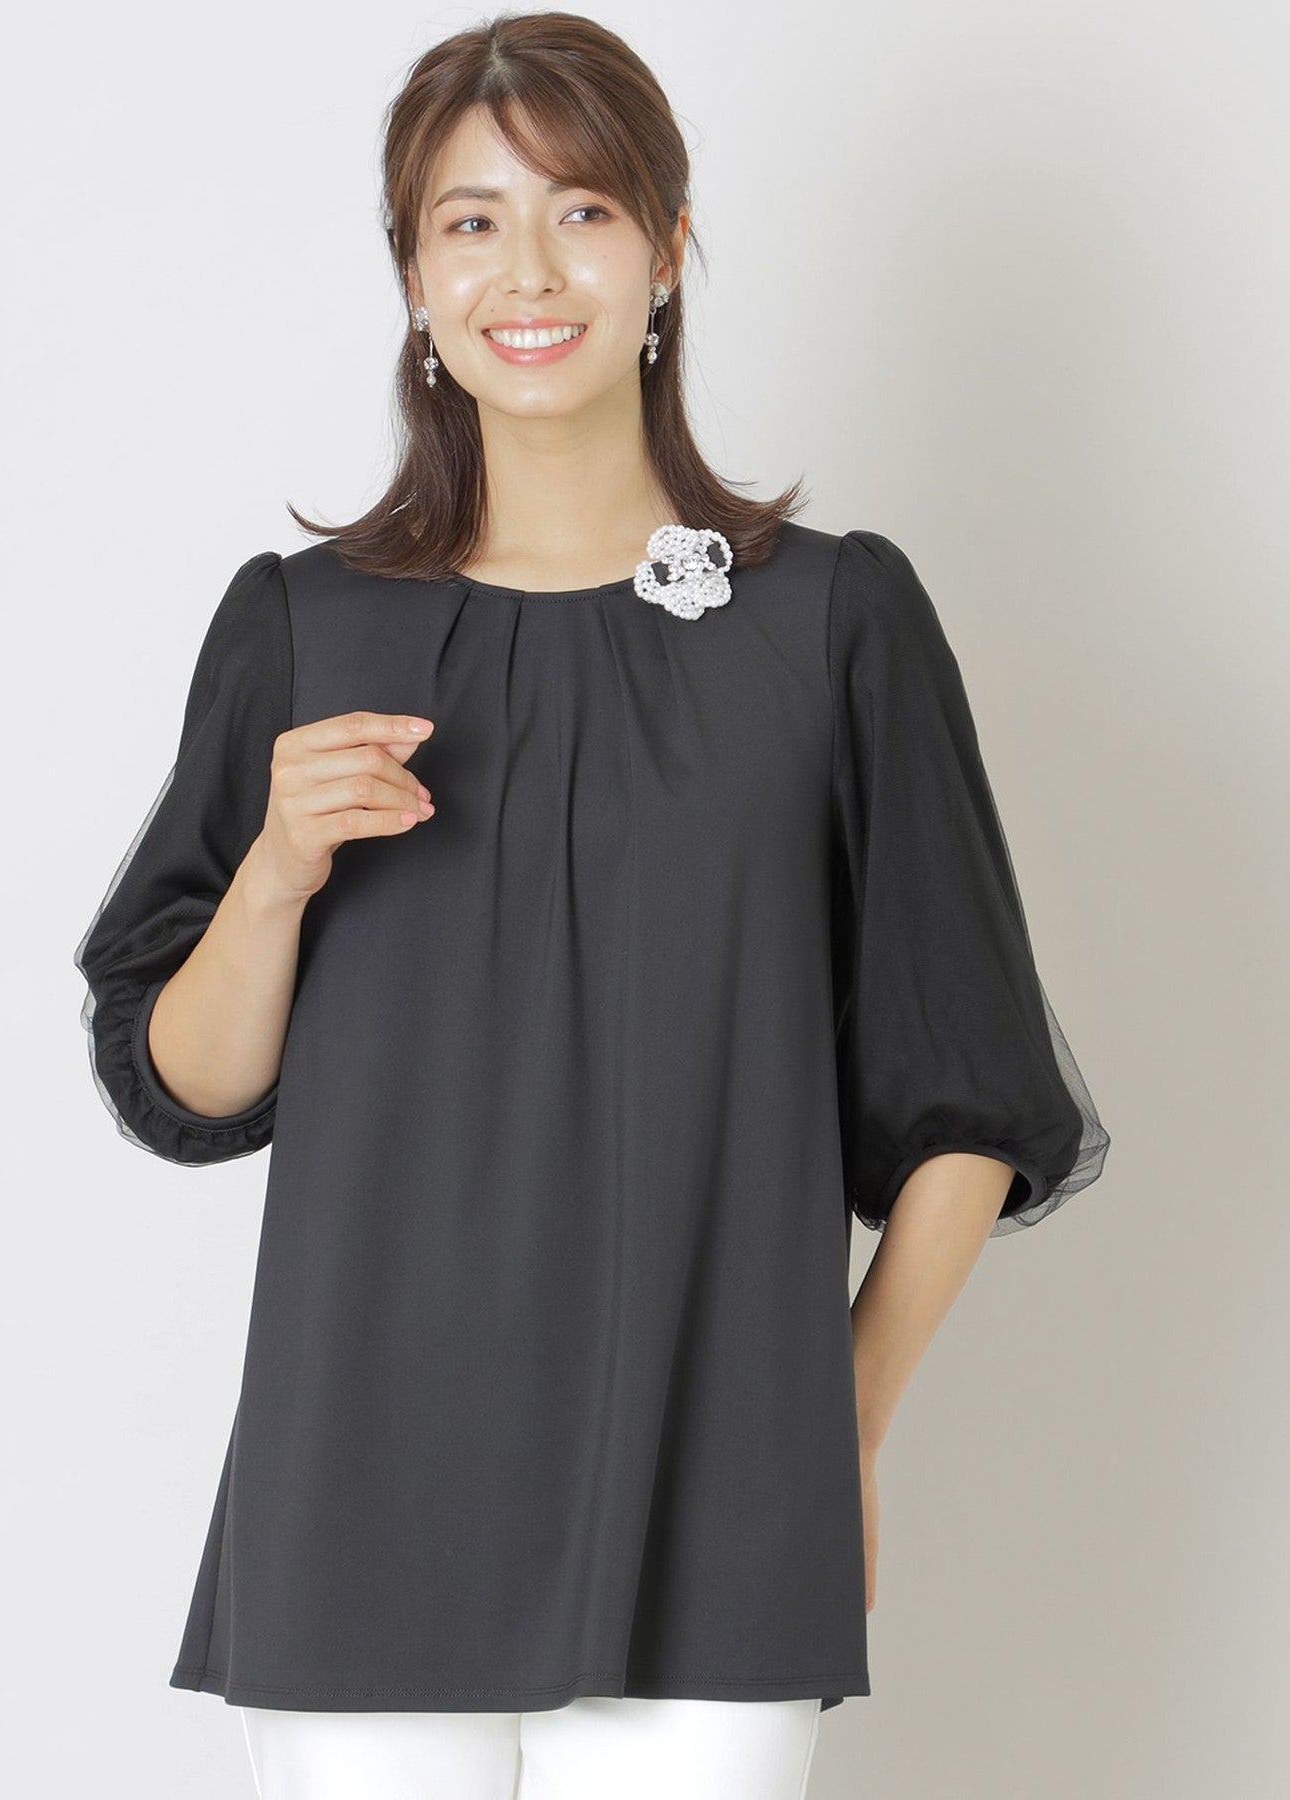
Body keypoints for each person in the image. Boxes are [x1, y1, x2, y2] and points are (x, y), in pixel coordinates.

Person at [73, 13, 1110, 1798]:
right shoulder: (304, 627)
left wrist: (839, 1427)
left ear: (667, 250)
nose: (529, 271)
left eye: (583, 211)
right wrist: (276, 873)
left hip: (721, 1487)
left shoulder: (831, 624)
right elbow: (190, 1083)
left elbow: (968, 1086)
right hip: (365, 1480)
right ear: (414, 278)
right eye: (470, 222)